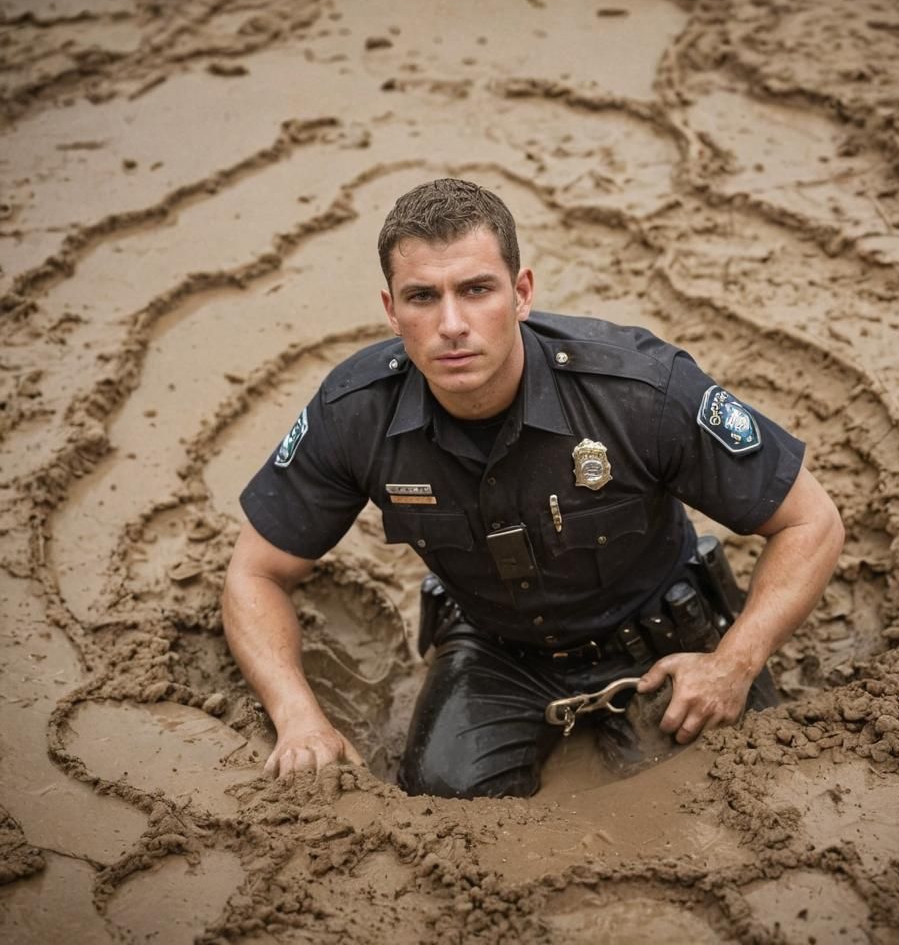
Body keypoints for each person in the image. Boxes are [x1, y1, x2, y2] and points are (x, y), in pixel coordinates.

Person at [221, 178, 844, 797]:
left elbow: (810, 521)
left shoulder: (639, 391)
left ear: (521, 293)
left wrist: (734, 662)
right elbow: (254, 573)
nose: (452, 324)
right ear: (391, 310)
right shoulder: (353, 412)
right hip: (497, 646)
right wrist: (297, 716)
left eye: (475, 289)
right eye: (421, 297)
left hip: (662, 631)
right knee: (441, 799)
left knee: (743, 783)